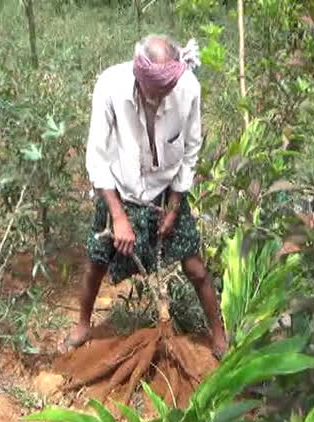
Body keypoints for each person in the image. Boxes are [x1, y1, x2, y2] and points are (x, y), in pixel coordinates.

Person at [63, 34, 228, 359]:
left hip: (166, 189)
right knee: (96, 262)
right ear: (139, 77)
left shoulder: (187, 89)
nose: (162, 98)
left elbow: (191, 148)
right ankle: (83, 324)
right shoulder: (110, 86)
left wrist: (175, 204)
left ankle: (218, 334)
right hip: (119, 188)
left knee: (194, 267)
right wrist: (119, 216)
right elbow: (96, 158)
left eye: (167, 91)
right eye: (155, 91)